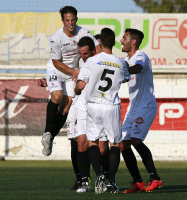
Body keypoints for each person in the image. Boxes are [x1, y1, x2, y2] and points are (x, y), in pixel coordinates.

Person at [37, 36, 109, 193]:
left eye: (97, 46)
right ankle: (81, 180)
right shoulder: (80, 60)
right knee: (76, 141)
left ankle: (106, 179)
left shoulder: (103, 62)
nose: (83, 55)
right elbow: (67, 76)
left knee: (101, 147)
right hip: (78, 105)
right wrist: (48, 82)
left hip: (97, 106)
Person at [75, 27, 130, 194]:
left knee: (93, 141)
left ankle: (99, 174)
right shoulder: (121, 62)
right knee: (114, 143)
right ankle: (111, 181)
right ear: (113, 42)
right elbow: (125, 78)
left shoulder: (91, 61)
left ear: (99, 42)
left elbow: (80, 86)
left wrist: (78, 89)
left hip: (92, 105)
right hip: (111, 105)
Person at [41, 6, 100, 157]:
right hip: (58, 70)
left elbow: (97, 49)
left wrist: (86, 67)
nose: (70, 23)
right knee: (57, 96)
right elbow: (56, 63)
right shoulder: (56, 38)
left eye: (73, 20)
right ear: (62, 21)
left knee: (66, 109)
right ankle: (47, 133)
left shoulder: (83, 32)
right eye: (67, 20)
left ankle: (51, 138)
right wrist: (74, 71)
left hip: (73, 73)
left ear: (76, 19)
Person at [120, 28, 162, 193]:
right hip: (133, 108)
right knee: (123, 144)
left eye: (124, 38)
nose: (121, 41)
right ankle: (137, 181)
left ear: (133, 41)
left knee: (135, 140)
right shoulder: (125, 59)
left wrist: (122, 69)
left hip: (146, 106)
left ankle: (155, 177)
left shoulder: (141, 56)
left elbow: (137, 69)